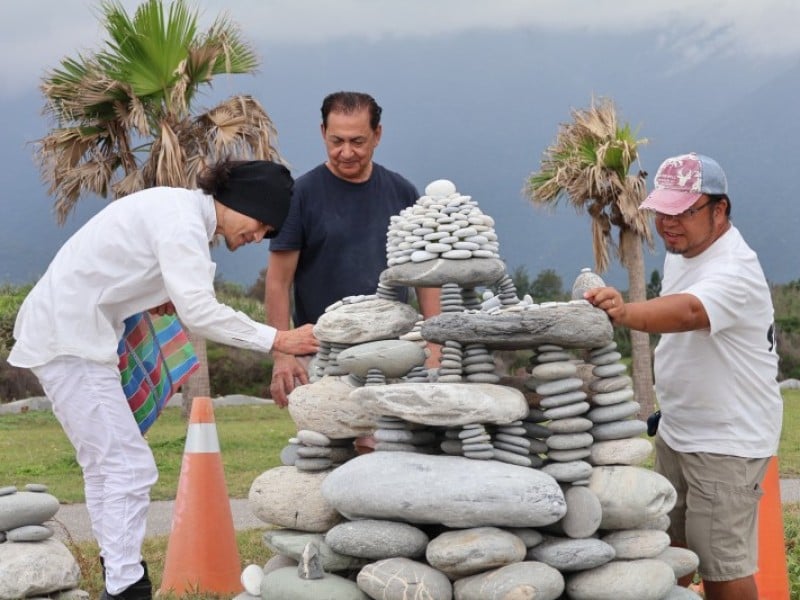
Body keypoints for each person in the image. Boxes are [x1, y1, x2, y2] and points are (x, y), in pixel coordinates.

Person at [8, 159, 319, 600]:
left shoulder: (179, 212)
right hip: (70, 339)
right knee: (128, 467)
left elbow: (140, 279)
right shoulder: (182, 223)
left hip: (69, 335)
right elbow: (200, 311)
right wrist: (279, 338)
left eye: (269, 231)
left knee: (105, 467)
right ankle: (126, 585)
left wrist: (155, 295)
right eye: (260, 222)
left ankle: (119, 576)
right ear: (237, 201)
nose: (259, 236)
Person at [584, 152, 782, 600]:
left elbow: (691, 311)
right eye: (662, 212)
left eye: (683, 212)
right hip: (679, 430)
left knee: (721, 566)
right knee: (669, 552)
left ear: (720, 210)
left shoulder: (735, 269)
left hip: (726, 442)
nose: (669, 224)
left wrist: (625, 312)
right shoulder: (683, 252)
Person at [265, 90, 440, 407]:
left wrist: (436, 343)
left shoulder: (403, 193)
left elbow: (424, 276)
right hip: (321, 351)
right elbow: (278, 281)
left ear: (377, 135)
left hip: (392, 349)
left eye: (357, 142)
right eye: (336, 141)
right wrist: (282, 353)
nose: (346, 152)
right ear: (323, 133)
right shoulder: (300, 195)